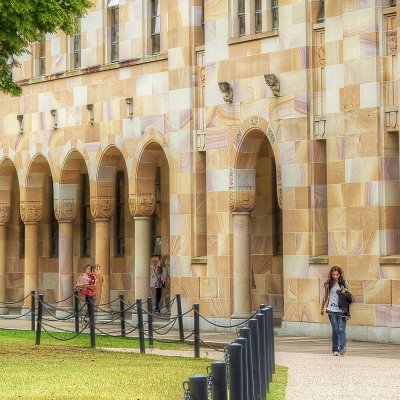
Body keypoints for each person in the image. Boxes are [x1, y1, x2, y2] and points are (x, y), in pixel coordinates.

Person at [321, 265, 350, 356]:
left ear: (340, 274)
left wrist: (344, 292)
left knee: (341, 329)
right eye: (334, 274)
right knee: (335, 329)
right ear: (331, 274)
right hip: (331, 310)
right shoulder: (328, 283)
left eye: (337, 274)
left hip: (342, 310)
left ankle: (341, 347)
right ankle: (335, 349)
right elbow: (325, 296)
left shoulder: (344, 283)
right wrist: (322, 307)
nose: (335, 276)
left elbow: (347, 298)